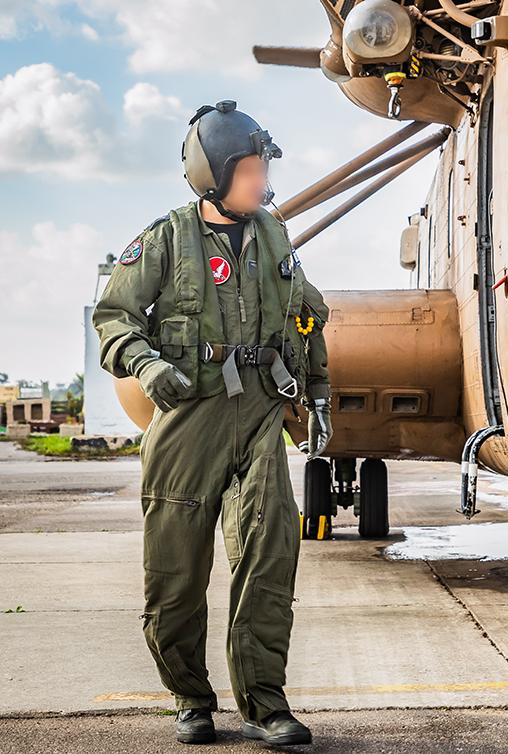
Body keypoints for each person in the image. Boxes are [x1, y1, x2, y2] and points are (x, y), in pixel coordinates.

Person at [92, 100, 333, 746]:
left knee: (269, 554)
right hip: (187, 420)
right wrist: (144, 365)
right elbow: (113, 316)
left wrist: (319, 392)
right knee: (174, 572)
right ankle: (190, 698)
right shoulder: (165, 239)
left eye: (261, 168)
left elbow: (308, 316)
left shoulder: (275, 237)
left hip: (258, 414)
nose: (261, 181)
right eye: (249, 169)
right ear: (212, 175)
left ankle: (265, 702)